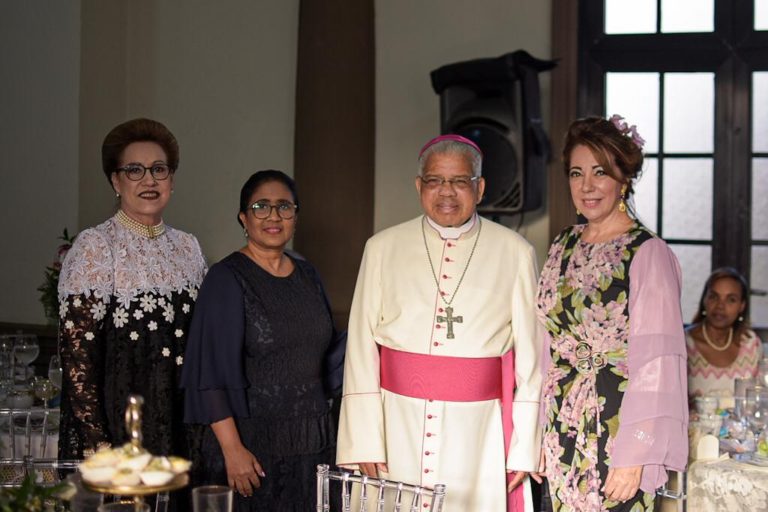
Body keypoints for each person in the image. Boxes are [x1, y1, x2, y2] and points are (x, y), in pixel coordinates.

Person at [336, 135, 543, 511]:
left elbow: (532, 359)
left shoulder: (515, 252)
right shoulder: (382, 248)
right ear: (419, 186)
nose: (446, 191)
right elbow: (361, 348)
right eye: (435, 180)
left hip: (477, 434)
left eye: (460, 181)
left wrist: (524, 445)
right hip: (396, 424)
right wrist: (364, 439)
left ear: (479, 188)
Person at [535, 115, 688, 511]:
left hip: (618, 430)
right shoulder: (562, 244)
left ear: (623, 178)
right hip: (560, 424)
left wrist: (635, 454)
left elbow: (658, 364)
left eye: (600, 172)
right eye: (576, 173)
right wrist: (535, 432)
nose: (586, 186)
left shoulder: (648, 253)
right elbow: (543, 345)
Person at [181, 170, 344, 511]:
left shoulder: (308, 275)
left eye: (284, 206)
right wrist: (232, 450)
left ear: (295, 216)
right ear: (244, 217)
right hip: (251, 447)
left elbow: (328, 354)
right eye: (261, 206)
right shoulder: (226, 278)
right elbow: (210, 374)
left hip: (313, 444)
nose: (273, 216)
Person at [58, 118, 207, 460]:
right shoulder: (96, 246)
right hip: (120, 427)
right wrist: (100, 448)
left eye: (159, 169)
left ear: (171, 179)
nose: (149, 180)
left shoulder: (188, 247)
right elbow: (77, 359)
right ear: (115, 180)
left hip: (183, 423)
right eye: (135, 170)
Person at [686, 267, 762, 398]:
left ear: (742, 306)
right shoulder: (684, 343)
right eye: (714, 297)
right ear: (705, 300)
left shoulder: (751, 344)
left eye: (731, 299)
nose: (720, 306)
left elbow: (760, 399)